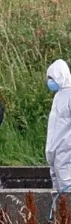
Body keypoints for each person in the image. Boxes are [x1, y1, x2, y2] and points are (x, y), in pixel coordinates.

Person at [46, 59, 71, 192]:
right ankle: (59, 212)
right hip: (55, 148)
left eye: (51, 78)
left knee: (66, 184)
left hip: (66, 148)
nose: (50, 81)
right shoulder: (59, 95)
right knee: (57, 187)